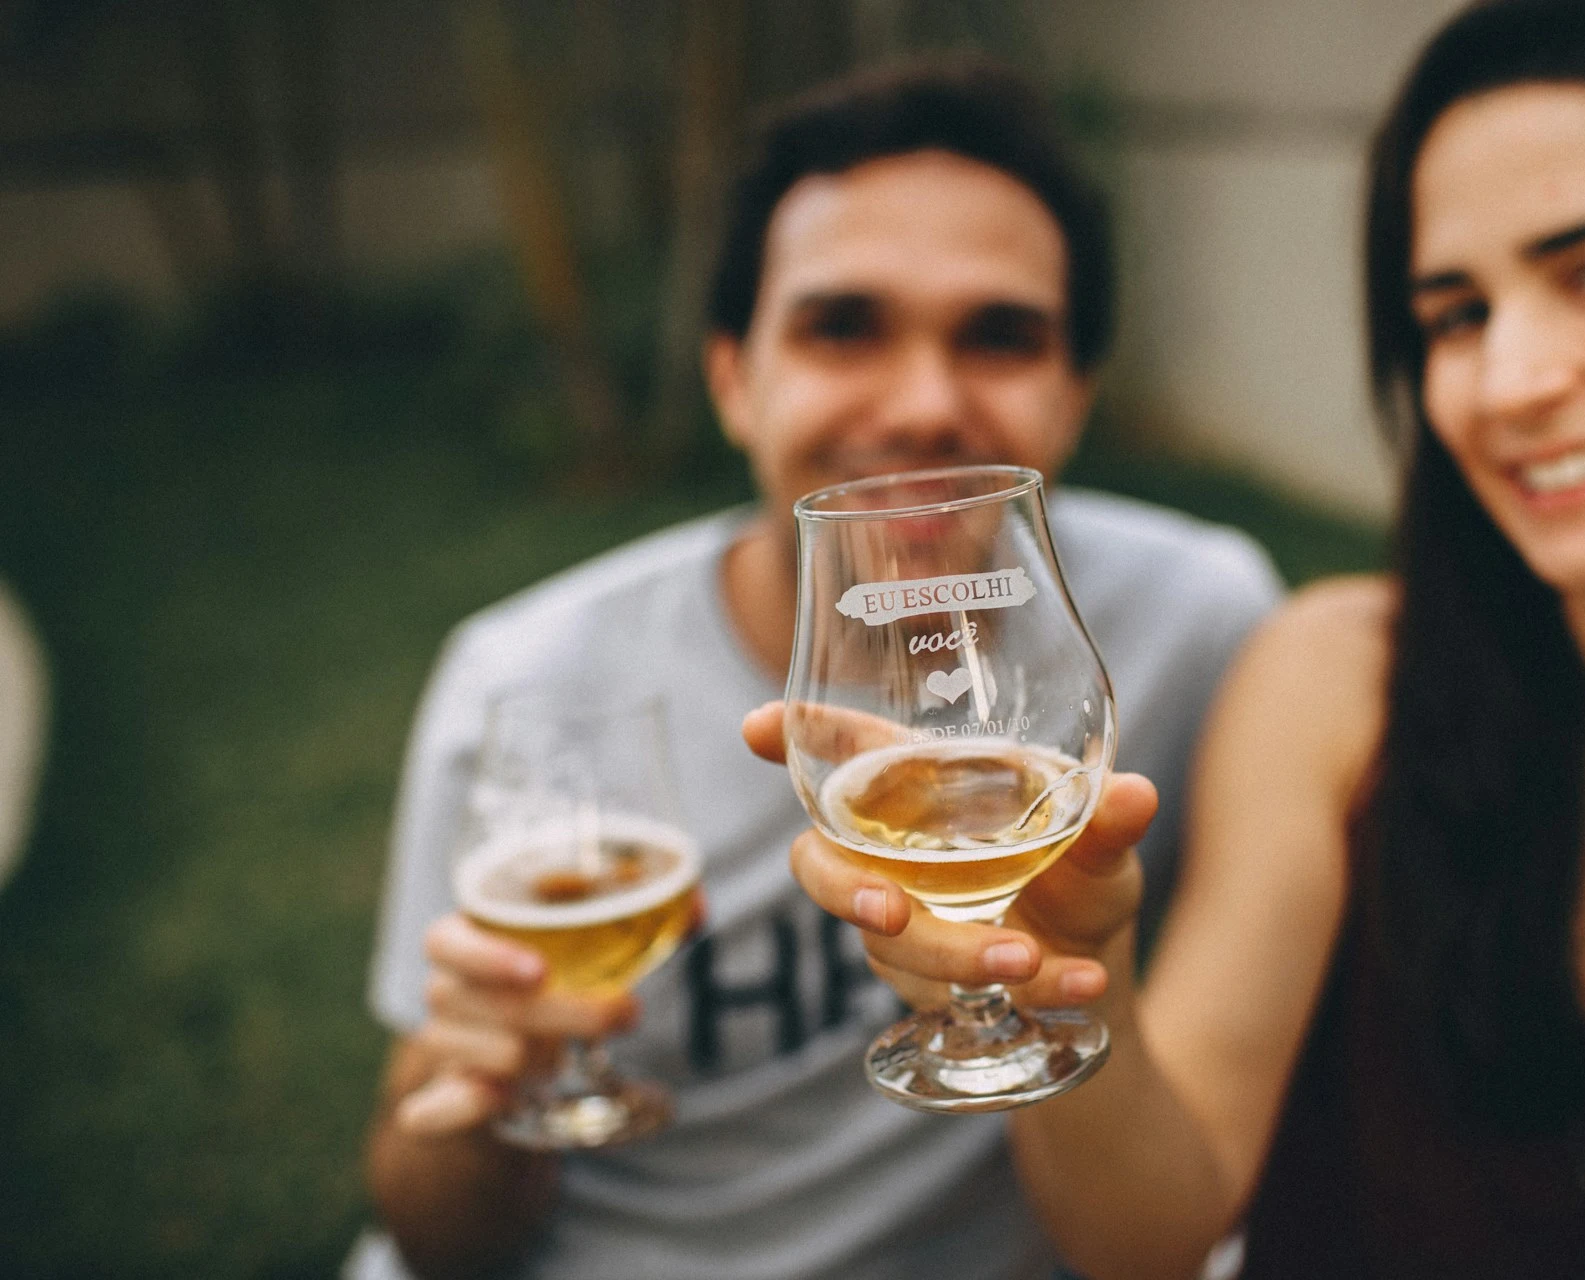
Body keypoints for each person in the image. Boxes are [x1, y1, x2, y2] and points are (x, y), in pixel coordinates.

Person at [770, 1, 1585, 1275]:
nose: (1517, 376)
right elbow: (1150, 1231)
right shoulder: (1337, 685)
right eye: (1455, 314)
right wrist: (1057, 973)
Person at [355, 57, 1282, 1280]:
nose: (924, 403)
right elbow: (432, 1236)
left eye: (1001, 336)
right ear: (733, 376)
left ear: (1077, 394)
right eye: (844, 325)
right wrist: (476, 1095)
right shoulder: (527, 676)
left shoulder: (1197, 620)